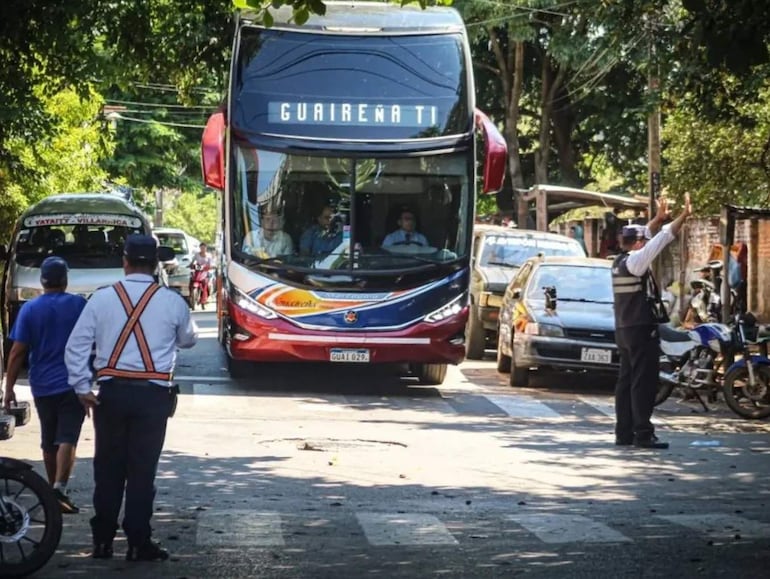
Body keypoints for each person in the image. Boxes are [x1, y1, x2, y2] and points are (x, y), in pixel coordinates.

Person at [65, 234, 198, 562]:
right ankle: (139, 542)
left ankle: (102, 542)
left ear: (124, 262)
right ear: (156, 264)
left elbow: (76, 347)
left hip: (110, 396)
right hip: (153, 398)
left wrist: (83, 388)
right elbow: (189, 340)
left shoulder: (101, 299)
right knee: (142, 471)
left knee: (107, 469)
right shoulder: (172, 301)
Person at [3, 257, 87, 514]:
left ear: (42, 281)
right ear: (65, 280)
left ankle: (54, 492)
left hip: (42, 385)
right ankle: (59, 489)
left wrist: (9, 389)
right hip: (73, 382)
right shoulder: (79, 305)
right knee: (68, 438)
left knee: (49, 441)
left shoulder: (30, 309)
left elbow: (17, 352)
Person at [611, 195, 691, 450]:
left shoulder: (619, 261)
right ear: (636, 245)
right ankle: (643, 434)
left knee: (625, 383)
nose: (645, 243)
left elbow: (650, 233)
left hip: (624, 330)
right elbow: (661, 238)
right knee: (643, 383)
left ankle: (624, 433)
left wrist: (657, 217)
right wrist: (684, 214)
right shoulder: (636, 262)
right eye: (642, 242)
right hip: (640, 330)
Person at [190, 242, 213, 308]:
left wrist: (210, 267)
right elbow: (192, 262)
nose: (202, 249)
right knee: (191, 280)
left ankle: (205, 299)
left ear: (206, 248)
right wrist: (191, 265)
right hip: (198, 272)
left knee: (207, 284)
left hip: (206, 272)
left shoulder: (209, 256)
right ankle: (191, 297)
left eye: (204, 248)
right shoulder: (196, 255)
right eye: (201, 247)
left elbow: (211, 264)